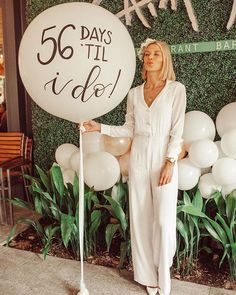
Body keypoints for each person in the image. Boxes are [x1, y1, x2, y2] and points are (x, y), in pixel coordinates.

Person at [80, 38, 186, 295]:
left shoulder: (176, 90)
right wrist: (99, 127)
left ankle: (164, 273)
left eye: (156, 54)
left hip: (163, 158)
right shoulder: (134, 94)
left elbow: (177, 130)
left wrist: (170, 161)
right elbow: (129, 129)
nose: (150, 58)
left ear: (165, 59)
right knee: (140, 218)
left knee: (163, 221)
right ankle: (148, 276)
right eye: (147, 54)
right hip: (138, 158)